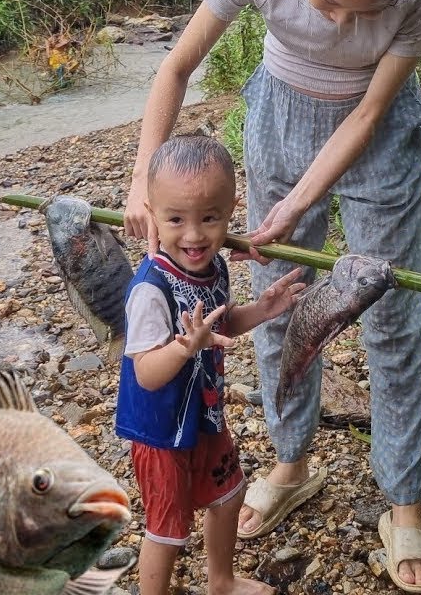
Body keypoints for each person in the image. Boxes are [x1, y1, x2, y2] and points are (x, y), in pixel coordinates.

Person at [121, 0, 421, 594]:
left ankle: (405, 505)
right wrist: (144, 184)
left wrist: (296, 204)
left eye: (353, 11)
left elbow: (366, 116)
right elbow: (176, 68)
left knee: (390, 315)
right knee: (279, 304)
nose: (332, 20)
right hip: (279, 118)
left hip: (377, 137)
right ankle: (292, 463)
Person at [114, 134, 307, 595]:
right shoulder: (150, 290)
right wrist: (185, 347)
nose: (195, 235)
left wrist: (262, 311)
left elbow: (223, 324)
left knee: (229, 493)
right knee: (168, 525)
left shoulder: (214, 266)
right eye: (176, 219)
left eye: (210, 218)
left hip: (205, 415)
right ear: (153, 214)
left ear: (231, 209)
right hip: (160, 430)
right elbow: (146, 373)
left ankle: (220, 580)